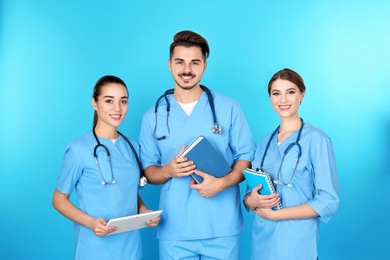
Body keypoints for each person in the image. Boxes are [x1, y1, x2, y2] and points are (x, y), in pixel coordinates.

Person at [138, 30, 256, 259]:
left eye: (195, 62)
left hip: (221, 227)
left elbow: (247, 158)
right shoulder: (152, 116)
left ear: (204, 66)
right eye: (180, 62)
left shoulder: (229, 108)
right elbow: (149, 171)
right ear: (170, 64)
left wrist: (222, 183)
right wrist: (168, 170)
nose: (187, 69)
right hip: (175, 228)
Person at [52, 75, 160, 260]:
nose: (117, 108)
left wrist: (143, 211)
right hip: (95, 246)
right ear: (94, 103)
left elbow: (126, 191)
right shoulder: (78, 150)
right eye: (109, 101)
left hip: (130, 245)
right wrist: (91, 222)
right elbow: (58, 199)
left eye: (123, 101)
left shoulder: (133, 147)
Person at [243, 68, 340, 260]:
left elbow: (328, 200)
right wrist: (251, 201)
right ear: (270, 98)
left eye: (291, 92)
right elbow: (249, 192)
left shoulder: (317, 140)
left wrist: (277, 215)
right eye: (276, 93)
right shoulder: (264, 143)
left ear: (301, 95)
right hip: (262, 244)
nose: (283, 100)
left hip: (297, 246)